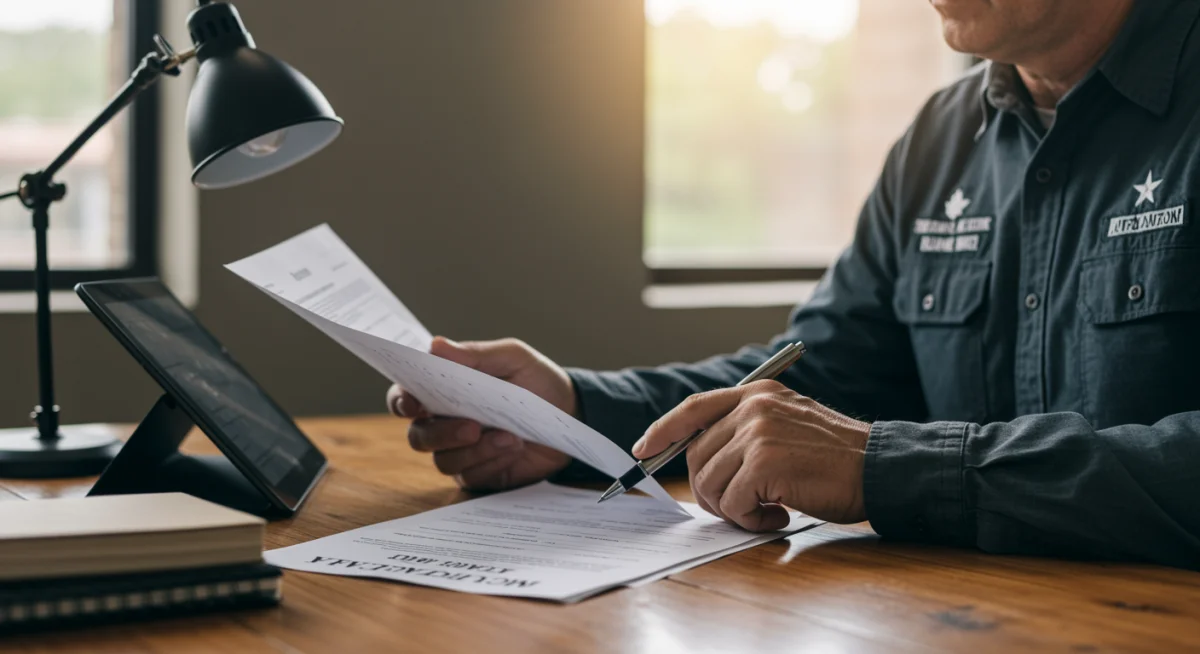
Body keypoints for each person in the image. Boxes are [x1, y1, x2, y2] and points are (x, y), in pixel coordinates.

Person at [389, 0, 1200, 570]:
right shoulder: (942, 141)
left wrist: (886, 468)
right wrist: (573, 416)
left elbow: (852, 448)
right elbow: (817, 373)